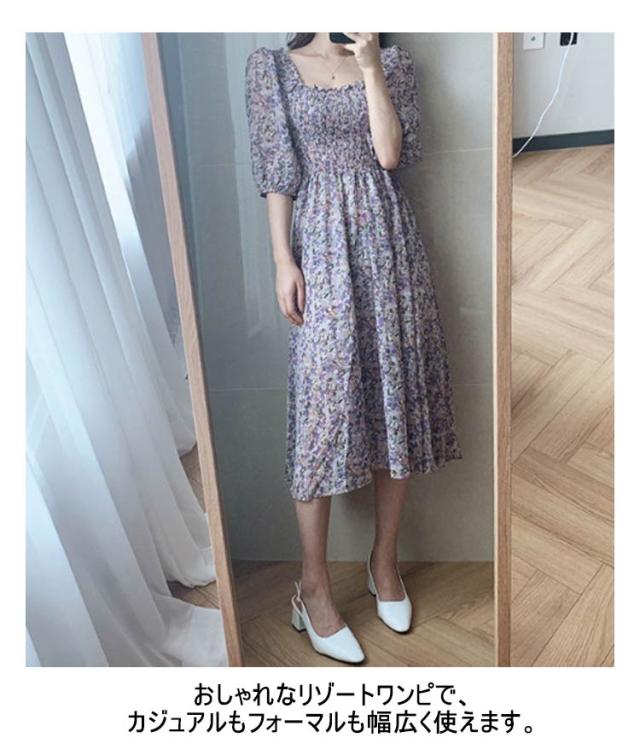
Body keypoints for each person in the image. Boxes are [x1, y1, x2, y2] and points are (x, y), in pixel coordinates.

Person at [244, 32, 462, 664]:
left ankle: (383, 563)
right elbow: (277, 173)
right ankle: (311, 586)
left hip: (390, 248)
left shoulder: (391, 64)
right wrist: (282, 261)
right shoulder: (271, 69)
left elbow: (391, 154)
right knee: (322, 414)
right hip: (319, 248)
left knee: (396, 401)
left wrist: (370, 67)